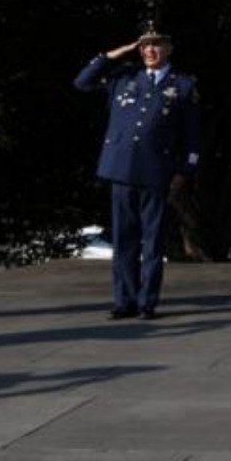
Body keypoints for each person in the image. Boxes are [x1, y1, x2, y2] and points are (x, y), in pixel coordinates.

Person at [74, 22, 200, 320]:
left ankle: (146, 303)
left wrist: (186, 169)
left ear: (169, 49)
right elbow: (82, 82)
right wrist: (111, 55)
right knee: (124, 241)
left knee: (152, 241)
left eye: (156, 44)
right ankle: (124, 300)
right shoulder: (123, 76)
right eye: (144, 45)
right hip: (120, 169)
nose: (150, 50)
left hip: (157, 171)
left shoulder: (183, 85)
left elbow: (192, 135)